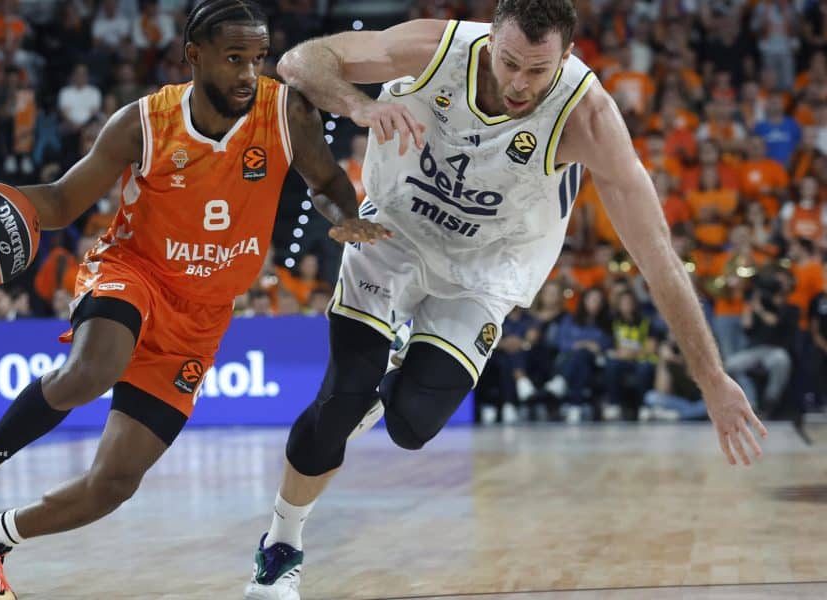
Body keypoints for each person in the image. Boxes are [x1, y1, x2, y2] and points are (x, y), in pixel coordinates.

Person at [244, 2, 767, 598]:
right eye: (509, 62)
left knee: (412, 427)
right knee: (339, 400)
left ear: (566, 58)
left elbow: (659, 260)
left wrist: (713, 378)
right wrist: (359, 105)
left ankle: (388, 380)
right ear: (489, 39)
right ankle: (282, 543)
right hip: (392, 233)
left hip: (487, 267)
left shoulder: (589, 118)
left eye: (537, 70)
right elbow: (298, 62)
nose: (519, 83)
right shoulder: (435, 49)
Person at [0, 2, 387, 599]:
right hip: (134, 271)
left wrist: (344, 215)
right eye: (234, 58)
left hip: (201, 316)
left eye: (258, 58)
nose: (249, 73)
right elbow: (63, 201)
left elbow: (328, 183)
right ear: (194, 55)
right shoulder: (142, 123)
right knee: (93, 369)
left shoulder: (286, 112)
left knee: (114, 484)